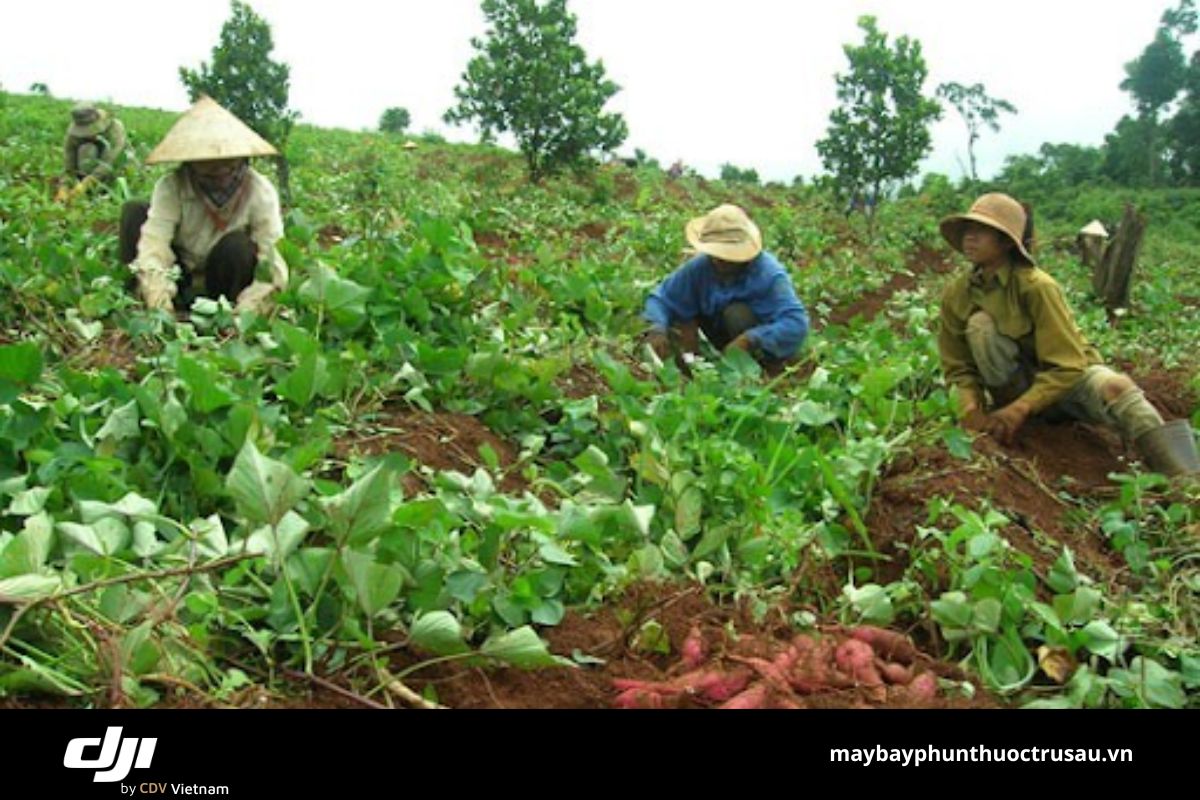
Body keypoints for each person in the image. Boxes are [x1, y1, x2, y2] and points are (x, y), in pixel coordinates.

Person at [938, 192, 1198, 476]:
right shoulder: (956, 294)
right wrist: (972, 412)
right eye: (967, 230)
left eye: (981, 231)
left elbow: (1068, 366)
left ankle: (1186, 482)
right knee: (980, 326)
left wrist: (1021, 408)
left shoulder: (1037, 287)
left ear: (1004, 241)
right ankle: (1021, 416)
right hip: (1013, 388)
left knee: (1117, 387)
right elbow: (958, 368)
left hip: (1064, 383)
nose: (969, 237)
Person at [120, 96, 287, 314]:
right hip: (181, 273)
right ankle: (140, 300)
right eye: (208, 165)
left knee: (238, 246)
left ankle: (227, 312)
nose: (220, 170)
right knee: (135, 212)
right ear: (191, 163)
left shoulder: (260, 191)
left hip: (224, 279)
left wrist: (248, 312)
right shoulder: (172, 186)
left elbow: (272, 259)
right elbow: (154, 245)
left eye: (228, 162)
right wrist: (159, 301)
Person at [643, 204, 809, 373]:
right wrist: (657, 327)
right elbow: (661, 298)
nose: (718, 261)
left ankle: (752, 369)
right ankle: (693, 361)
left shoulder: (769, 274)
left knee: (736, 315)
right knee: (680, 318)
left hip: (753, 345)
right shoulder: (701, 267)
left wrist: (750, 339)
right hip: (710, 338)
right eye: (716, 255)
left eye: (726, 256)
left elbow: (796, 323)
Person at [58, 102, 128, 200]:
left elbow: (110, 161)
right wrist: (63, 187)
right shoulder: (73, 136)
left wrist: (87, 183)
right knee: (87, 150)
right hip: (86, 167)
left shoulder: (114, 127)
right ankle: (86, 187)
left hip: (114, 168)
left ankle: (103, 189)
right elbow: (68, 164)